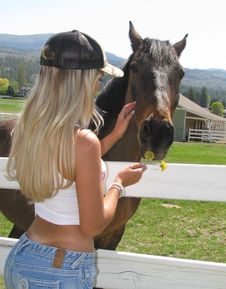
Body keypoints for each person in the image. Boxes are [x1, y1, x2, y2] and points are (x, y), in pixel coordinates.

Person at [4, 30, 146, 289]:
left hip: (23, 256)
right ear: (82, 81)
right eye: (98, 78)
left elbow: (71, 166)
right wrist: (118, 185)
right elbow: (93, 225)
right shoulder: (82, 141)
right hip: (61, 270)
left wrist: (114, 135)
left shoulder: (33, 129)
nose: (97, 85)